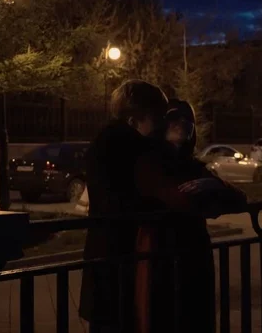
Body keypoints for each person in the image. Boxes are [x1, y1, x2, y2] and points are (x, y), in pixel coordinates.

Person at [134, 99, 247, 333]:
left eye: (188, 120)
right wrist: (209, 200)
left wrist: (213, 185)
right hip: (162, 254)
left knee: (197, 317)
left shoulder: (194, 166)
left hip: (194, 253)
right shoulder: (149, 162)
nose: (183, 123)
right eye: (175, 117)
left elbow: (240, 199)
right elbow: (180, 199)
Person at [79, 79, 171, 333]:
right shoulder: (129, 148)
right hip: (119, 260)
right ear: (134, 120)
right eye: (157, 116)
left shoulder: (110, 143)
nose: (163, 124)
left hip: (109, 259)